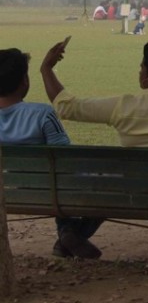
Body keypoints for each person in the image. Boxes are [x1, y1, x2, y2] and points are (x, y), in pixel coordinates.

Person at [39, 38, 148, 256]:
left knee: (106, 181)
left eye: (142, 67)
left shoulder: (124, 107)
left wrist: (46, 69)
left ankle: (71, 233)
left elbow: (67, 107)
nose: (139, 71)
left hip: (127, 193)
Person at [0, 47, 103, 259]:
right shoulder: (42, 114)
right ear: (24, 82)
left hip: (7, 190)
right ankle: (69, 232)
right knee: (102, 185)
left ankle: (67, 235)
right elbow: (65, 159)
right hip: (48, 190)